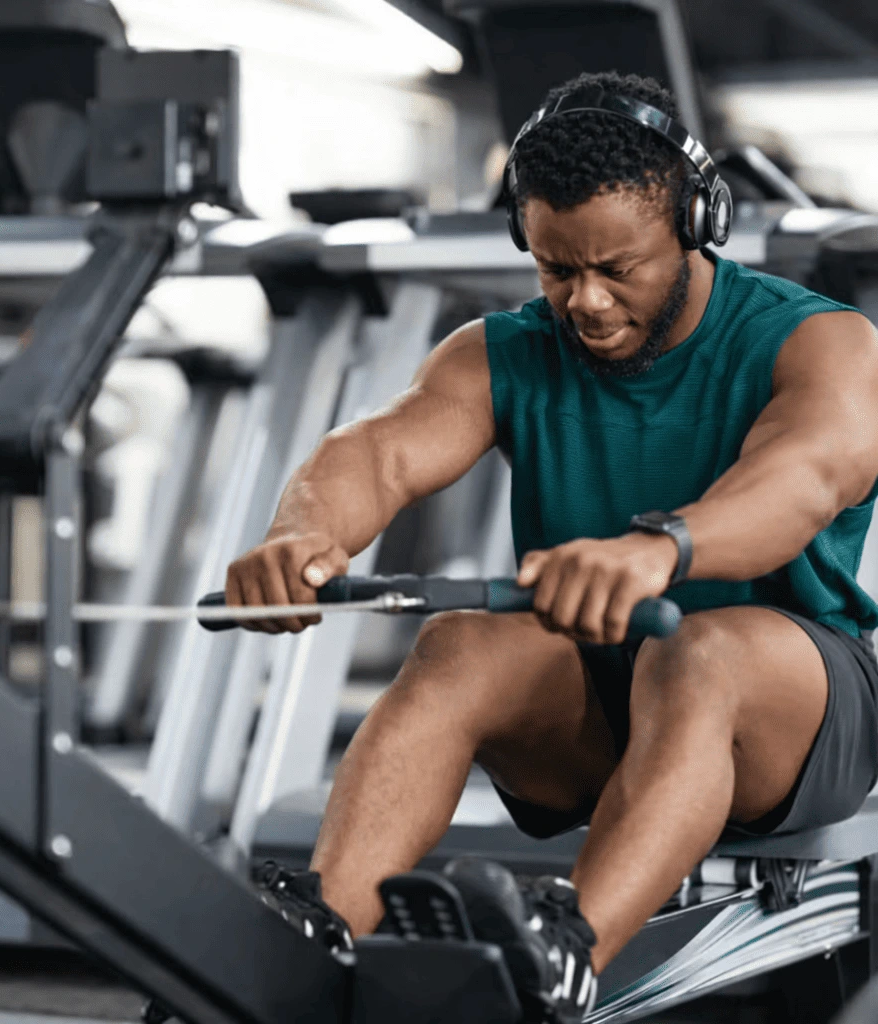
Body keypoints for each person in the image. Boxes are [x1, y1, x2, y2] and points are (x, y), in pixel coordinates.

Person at [227, 70, 878, 1023]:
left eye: (620, 268)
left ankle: (562, 954)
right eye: (556, 268)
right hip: (606, 709)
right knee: (457, 643)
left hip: (792, 712)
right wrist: (300, 537)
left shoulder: (819, 341)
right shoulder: (506, 352)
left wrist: (663, 549)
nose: (587, 302)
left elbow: (800, 481)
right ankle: (324, 936)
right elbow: (379, 452)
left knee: (699, 650)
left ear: (697, 225)